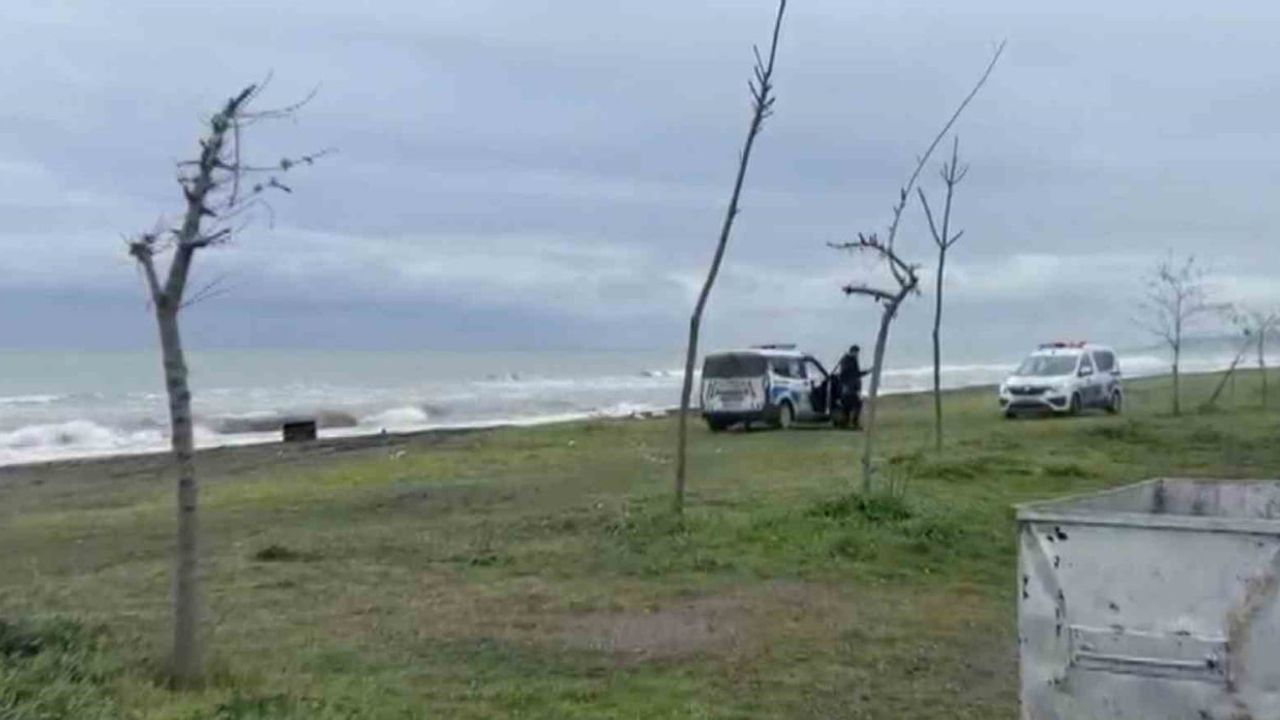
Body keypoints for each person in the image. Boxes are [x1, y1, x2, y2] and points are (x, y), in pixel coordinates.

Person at [833, 344, 869, 430]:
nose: (857, 355)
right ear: (853, 352)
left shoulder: (848, 359)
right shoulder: (848, 360)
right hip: (848, 387)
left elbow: (855, 373)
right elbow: (851, 373)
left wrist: (866, 372)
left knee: (848, 407)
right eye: (856, 353)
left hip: (849, 387)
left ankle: (846, 423)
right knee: (856, 404)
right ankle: (853, 423)